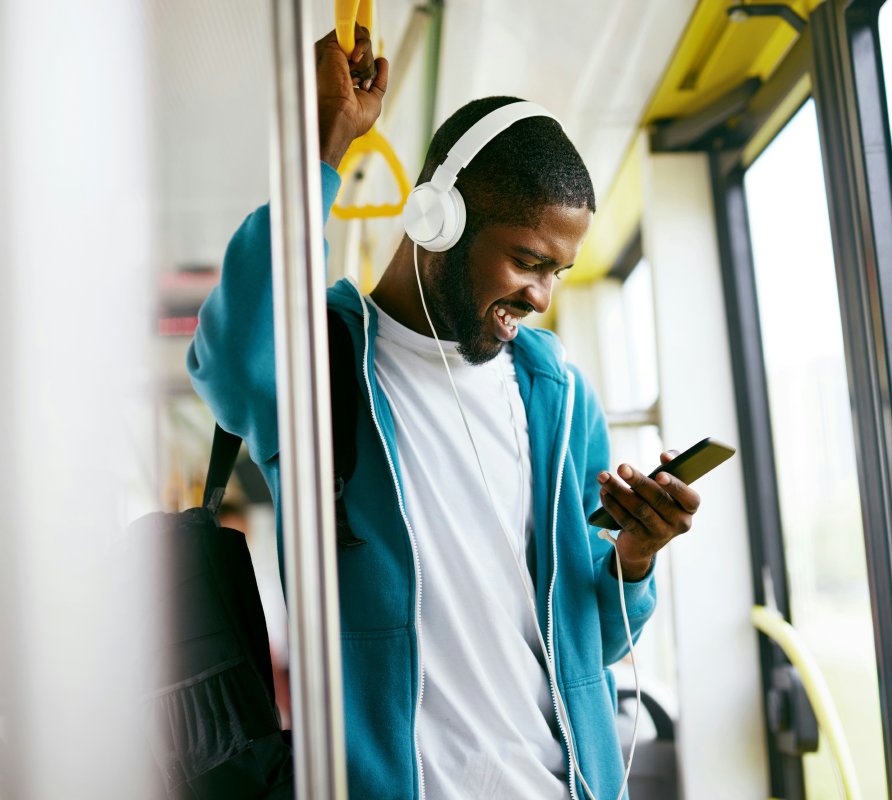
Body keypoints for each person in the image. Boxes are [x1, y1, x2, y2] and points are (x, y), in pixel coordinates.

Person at [188, 26, 703, 799]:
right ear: (438, 218)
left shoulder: (560, 397)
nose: (541, 297)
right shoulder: (327, 362)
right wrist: (323, 147)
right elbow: (231, 362)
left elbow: (592, 643)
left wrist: (634, 558)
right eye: (528, 261)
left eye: (559, 272)